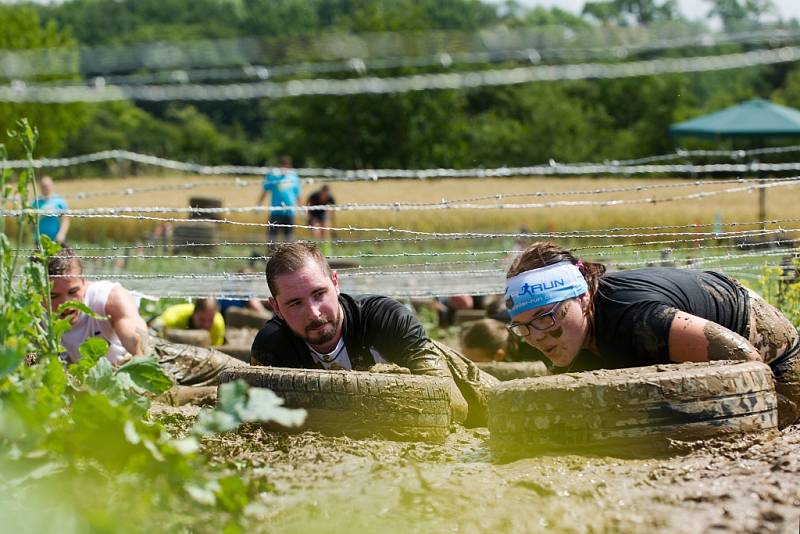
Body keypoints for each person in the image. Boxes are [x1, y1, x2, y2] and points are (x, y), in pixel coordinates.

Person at [504, 241, 800, 428]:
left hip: (778, 360)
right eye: (523, 326)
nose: (537, 336)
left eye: (547, 317)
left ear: (581, 298)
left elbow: (745, 360)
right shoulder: (559, 334)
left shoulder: (638, 321)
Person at [250, 242, 498, 427]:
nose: (314, 313)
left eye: (319, 294)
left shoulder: (386, 318)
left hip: (471, 398)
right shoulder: (270, 347)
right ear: (276, 307)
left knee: (498, 405)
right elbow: (261, 422)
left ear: (335, 283)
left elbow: (452, 402)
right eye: (295, 303)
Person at [47, 246, 245, 389]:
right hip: (111, 384)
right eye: (53, 296)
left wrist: (135, 361)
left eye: (73, 292)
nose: (65, 303)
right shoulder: (32, 316)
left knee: (236, 373)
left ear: (84, 281)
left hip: (162, 360)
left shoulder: (106, 298)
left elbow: (139, 342)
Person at [256, 155, 301, 243]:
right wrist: (259, 204)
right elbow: (265, 191)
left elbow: (298, 194)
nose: (284, 167)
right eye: (283, 165)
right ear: (279, 166)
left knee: (289, 240)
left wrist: (301, 208)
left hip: (289, 212)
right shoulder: (273, 177)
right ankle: (270, 256)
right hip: (276, 211)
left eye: (286, 165)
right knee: (272, 239)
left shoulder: (294, 177)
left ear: (290, 166)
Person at [151, 299, 225, 346]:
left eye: (210, 320)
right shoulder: (173, 317)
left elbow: (216, 349)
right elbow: (155, 331)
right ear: (194, 313)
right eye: (202, 319)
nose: (206, 324)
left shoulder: (218, 323)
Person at [33, 176, 70, 244]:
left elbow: (65, 220)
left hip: (56, 240)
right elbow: (32, 221)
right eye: (43, 186)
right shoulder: (35, 203)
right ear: (40, 187)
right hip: (40, 240)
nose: (46, 188)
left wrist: (61, 234)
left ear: (52, 186)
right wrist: (41, 214)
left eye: (48, 186)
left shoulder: (59, 201)